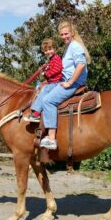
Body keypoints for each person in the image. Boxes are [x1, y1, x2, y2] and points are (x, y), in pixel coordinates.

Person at [39, 21, 91, 150]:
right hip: (65, 79)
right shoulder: (69, 46)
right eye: (61, 34)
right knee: (43, 89)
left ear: (72, 33)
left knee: (48, 101)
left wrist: (70, 82)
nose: (64, 36)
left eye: (66, 33)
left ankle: (51, 139)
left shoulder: (75, 46)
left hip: (74, 83)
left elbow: (81, 65)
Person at [24, 38, 63, 122]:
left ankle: (37, 113)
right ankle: (34, 108)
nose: (48, 52)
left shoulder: (56, 58)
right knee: (39, 86)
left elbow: (57, 69)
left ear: (55, 49)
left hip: (56, 82)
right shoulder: (51, 59)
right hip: (52, 81)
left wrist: (46, 73)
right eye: (46, 50)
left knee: (44, 90)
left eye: (50, 49)